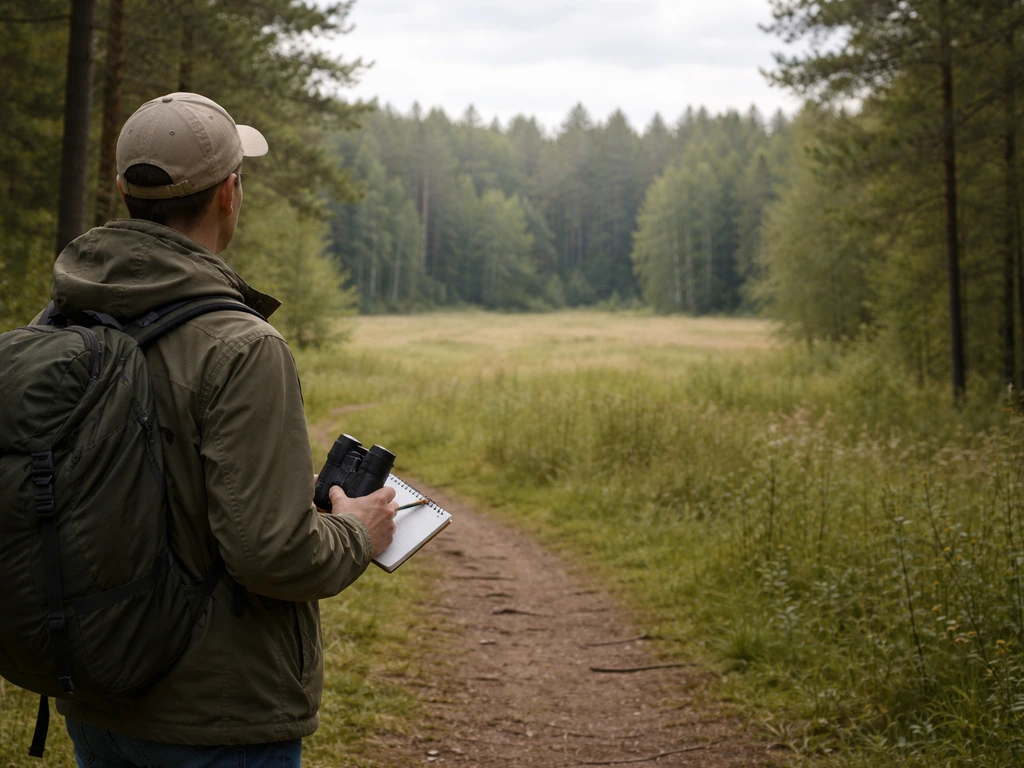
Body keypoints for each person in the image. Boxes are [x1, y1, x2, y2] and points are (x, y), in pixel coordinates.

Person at [52, 92, 398, 767]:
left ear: (124, 189)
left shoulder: (67, 319)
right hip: (216, 719)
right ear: (229, 195)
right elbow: (272, 556)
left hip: (96, 691)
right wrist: (356, 530)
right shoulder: (242, 346)